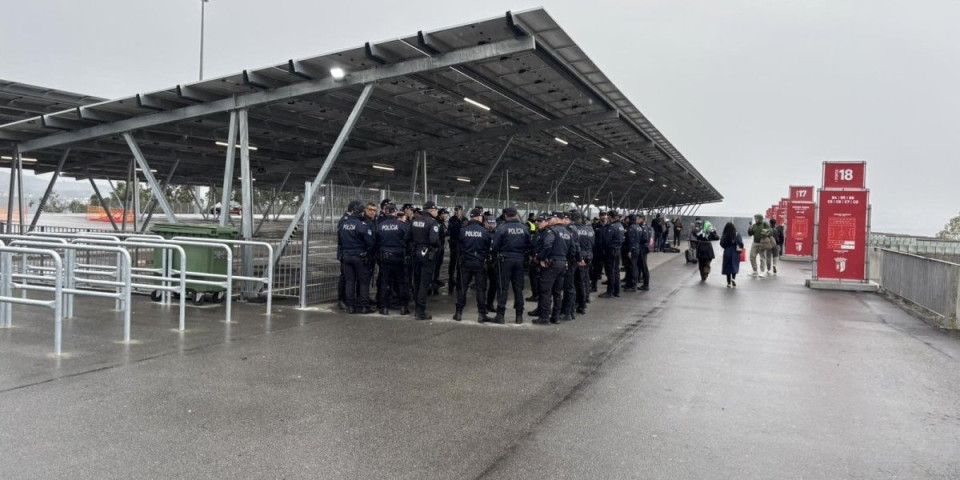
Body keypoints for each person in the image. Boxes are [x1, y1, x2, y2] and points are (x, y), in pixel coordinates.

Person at [490, 207, 530, 324]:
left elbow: (495, 246)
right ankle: (519, 316)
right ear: (516, 215)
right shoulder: (524, 228)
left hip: (505, 260)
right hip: (520, 259)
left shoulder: (502, 228)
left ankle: (500, 315)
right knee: (518, 289)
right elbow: (529, 245)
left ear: (506, 216)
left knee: (503, 287)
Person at [454, 208, 492, 323]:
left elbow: (458, 247)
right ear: (479, 217)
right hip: (480, 263)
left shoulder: (463, 230)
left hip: (466, 262)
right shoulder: (485, 231)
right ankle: (481, 314)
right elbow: (487, 247)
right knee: (481, 289)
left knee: (462, 288)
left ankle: (458, 313)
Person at [338, 201, 375, 313]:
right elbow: (370, 243)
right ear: (360, 212)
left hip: (347, 256)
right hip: (359, 257)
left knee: (350, 282)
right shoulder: (361, 225)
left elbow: (340, 241)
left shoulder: (343, 224)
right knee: (363, 282)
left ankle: (350, 306)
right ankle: (364, 306)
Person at [406, 201, 440, 320]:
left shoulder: (414, 221)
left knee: (417, 281)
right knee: (424, 284)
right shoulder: (433, 222)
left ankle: (417, 308)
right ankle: (420, 311)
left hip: (415, 252)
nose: (436, 212)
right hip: (426, 254)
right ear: (431, 210)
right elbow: (434, 240)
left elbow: (407, 237)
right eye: (435, 210)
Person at [375, 204, 410, 315]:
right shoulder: (402, 225)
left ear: (385, 212)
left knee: (385, 282)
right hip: (399, 257)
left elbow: (376, 241)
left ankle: (384, 308)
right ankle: (403, 307)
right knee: (401, 282)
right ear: (395, 212)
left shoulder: (380, 226)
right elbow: (408, 239)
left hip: (385, 257)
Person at [534, 212, 569, 324]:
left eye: (551, 218)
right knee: (557, 291)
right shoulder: (567, 232)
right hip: (562, 263)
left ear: (555, 219)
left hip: (551, 264)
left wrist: (541, 258)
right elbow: (572, 249)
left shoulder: (552, 231)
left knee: (546, 290)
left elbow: (547, 245)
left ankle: (544, 317)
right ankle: (556, 316)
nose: (549, 220)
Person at [559, 212, 581, 321]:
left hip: (570, 261)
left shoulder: (570, 229)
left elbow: (574, 247)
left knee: (568, 287)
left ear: (566, 219)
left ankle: (567, 312)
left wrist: (573, 259)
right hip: (572, 261)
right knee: (570, 286)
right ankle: (570, 311)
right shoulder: (572, 228)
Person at [571, 211, 594, 314]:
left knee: (578, 282)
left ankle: (580, 304)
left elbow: (574, 245)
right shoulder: (589, 229)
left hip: (580, 257)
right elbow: (593, 242)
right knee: (585, 279)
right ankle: (584, 300)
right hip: (589, 255)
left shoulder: (574, 229)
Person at [599, 210, 624, 298]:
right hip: (617, 250)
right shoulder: (620, 225)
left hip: (611, 251)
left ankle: (610, 291)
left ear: (610, 217)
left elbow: (607, 240)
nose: (607, 218)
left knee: (610, 271)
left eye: (608, 216)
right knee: (616, 271)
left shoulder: (612, 227)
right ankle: (616, 291)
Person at [719, 221, 744, 287]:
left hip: (727, 251)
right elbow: (740, 243)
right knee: (734, 266)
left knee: (728, 267)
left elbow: (721, 243)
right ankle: (733, 279)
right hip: (735, 252)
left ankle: (728, 283)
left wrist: (726, 247)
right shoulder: (737, 234)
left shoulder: (725, 234)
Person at [446, 206, 464, 295]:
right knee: (453, 262)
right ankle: (451, 279)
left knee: (460, 262)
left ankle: (459, 279)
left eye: (459, 210)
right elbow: (451, 230)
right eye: (456, 210)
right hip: (454, 243)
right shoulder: (452, 220)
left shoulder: (464, 219)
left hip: (461, 243)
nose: (457, 212)